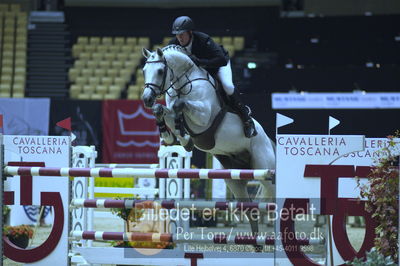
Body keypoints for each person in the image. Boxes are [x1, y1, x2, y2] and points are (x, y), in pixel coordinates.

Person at [168, 16, 257, 138]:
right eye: (177, 34)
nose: (179, 38)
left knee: (228, 86)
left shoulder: (203, 40)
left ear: (190, 32)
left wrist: (200, 61)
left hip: (217, 66)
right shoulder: (173, 44)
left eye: (182, 34)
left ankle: (246, 119)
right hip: (197, 71)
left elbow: (221, 60)